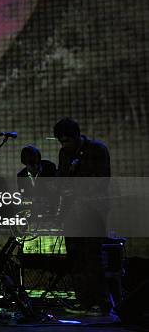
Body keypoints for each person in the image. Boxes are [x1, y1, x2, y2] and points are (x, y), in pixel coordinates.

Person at [53, 118, 113, 316]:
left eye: (67, 140)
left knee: (92, 258)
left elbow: (101, 181)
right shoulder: (64, 154)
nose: (64, 145)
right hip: (72, 214)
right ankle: (84, 301)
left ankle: (101, 302)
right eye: (61, 142)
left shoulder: (97, 150)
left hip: (92, 212)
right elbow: (61, 179)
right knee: (76, 259)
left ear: (77, 136)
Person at [16, 145, 57, 217]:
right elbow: (23, 193)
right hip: (33, 207)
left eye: (37, 163)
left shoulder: (49, 168)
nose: (35, 167)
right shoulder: (21, 176)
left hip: (50, 206)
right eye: (31, 164)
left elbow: (54, 190)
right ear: (25, 163)